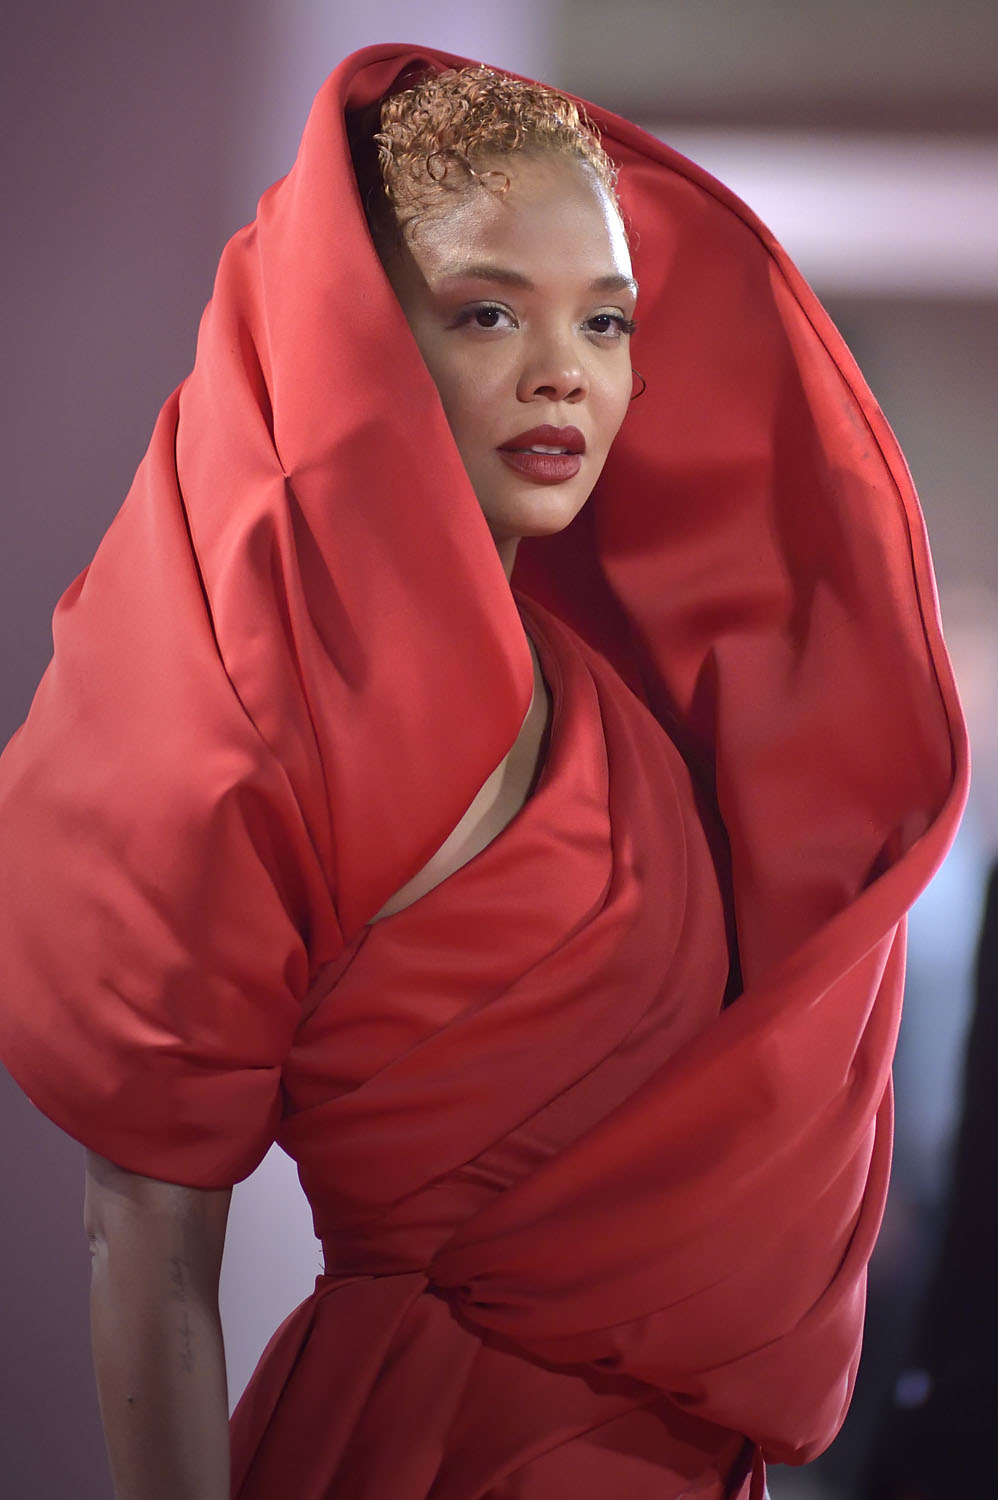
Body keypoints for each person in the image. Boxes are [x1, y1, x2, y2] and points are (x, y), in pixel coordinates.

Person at [0, 41, 967, 1500]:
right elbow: (145, 1239)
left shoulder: (632, 714)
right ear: (367, 333)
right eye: (487, 311)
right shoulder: (254, 715)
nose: (563, 372)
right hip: (420, 1443)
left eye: (606, 320)